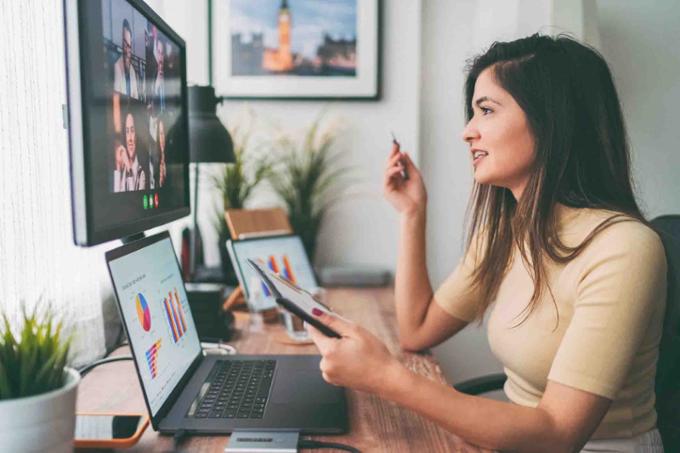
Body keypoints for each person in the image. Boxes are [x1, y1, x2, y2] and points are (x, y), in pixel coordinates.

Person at [307, 34, 666, 452]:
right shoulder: (508, 232)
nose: (467, 133)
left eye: (487, 111)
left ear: (552, 121)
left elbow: (557, 434)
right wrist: (412, 214)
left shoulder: (623, 248)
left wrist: (387, 377)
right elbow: (417, 330)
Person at [114, 111, 146, 192]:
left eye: (132, 131)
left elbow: (134, 200)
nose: (130, 139)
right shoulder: (122, 170)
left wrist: (129, 169)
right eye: (127, 132)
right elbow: (115, 200)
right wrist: (118, 166)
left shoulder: (141, 173)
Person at [113, 19, 140, 99]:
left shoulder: (132, 71)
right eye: (125, 45)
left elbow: (136, 97)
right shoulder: (117, 66)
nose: (127, 50)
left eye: (129, 46)